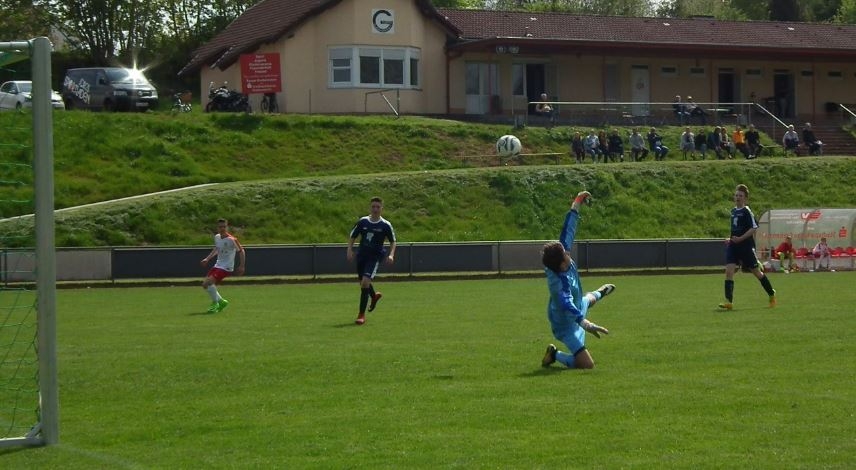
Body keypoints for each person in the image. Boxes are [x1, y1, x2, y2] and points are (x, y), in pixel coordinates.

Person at [540, 190, 614, 370]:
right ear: (561, 265)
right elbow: (568, 305)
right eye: (565, 254)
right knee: (587, 365)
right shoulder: (558, 286)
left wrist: (577, 204)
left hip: (576, 305)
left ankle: (598, 293)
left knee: (587, 300)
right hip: (566, 323)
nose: (568, 253)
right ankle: (554, 354)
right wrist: (586, 324)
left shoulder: (560, 259)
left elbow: (568, 231)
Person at [718, 184, 777, 310]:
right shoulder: (733, 211)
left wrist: (740, 238)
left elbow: (754, 228)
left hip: (745, 247)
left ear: (745, 198)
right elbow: (735, 229)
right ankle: (728, 301)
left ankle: (771, 293)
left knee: (756, 272)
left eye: (740, 195)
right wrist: (730, 239)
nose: (738, 197)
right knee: (729, 271)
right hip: (734, 246)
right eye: (736, 195)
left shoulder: (747, 211)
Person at [347, 196, 397, 325]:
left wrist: (391, 255)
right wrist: (349, 250)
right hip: (362, 255)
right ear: (370, 207)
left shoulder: (385, 225)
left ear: (382, 208)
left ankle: (361, 315)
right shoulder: (363, 221)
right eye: (373, 206)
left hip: (374, 257)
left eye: (378, 207)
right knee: (363, 282)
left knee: (365, 282)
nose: (375, 209)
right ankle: (374, 296)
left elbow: (393, 241)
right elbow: (353, 236)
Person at [200, 218, 246, 313]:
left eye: (224, 227)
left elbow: (241, 251)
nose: (222, 229)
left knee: (209, 282)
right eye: (220, 227)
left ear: (227, 227)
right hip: (218, 265)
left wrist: (242, 266)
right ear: (217, 228)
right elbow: (217, 249)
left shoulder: (232, 239)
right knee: (205, 285)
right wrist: (207, 258)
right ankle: (221, 302)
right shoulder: (217, 237)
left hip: (226, 267)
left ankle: (215, 303)